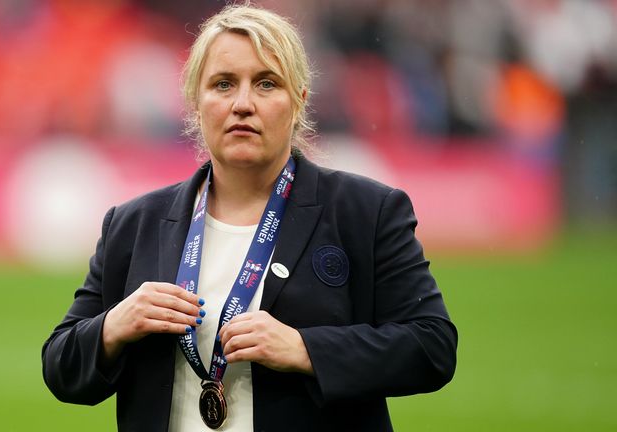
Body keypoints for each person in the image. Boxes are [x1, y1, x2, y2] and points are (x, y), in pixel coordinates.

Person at [42, 4, 457, 431]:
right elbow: (61, 368)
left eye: (265, 83)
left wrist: (305, 349)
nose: (243, 103)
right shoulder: (134, 224)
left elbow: (432, 347)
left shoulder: (365, 212)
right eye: (223, 84)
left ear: (298, 101)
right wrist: (114, 325)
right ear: (195, 101)